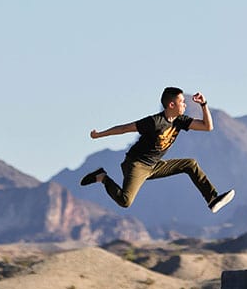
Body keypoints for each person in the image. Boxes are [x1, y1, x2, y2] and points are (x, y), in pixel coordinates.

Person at [82, 87, 235, 215]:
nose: (185, 105)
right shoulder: (154, 122)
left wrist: (204, 104)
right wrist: (99, 134)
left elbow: (208, 127)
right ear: (171, 105)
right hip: (136, 165)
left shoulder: (180, 121)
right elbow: (124, 128)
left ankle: (212, 199)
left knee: (190, 164)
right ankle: (102, 177)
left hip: (154, 166)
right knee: (125, 201)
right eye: (182, 102)